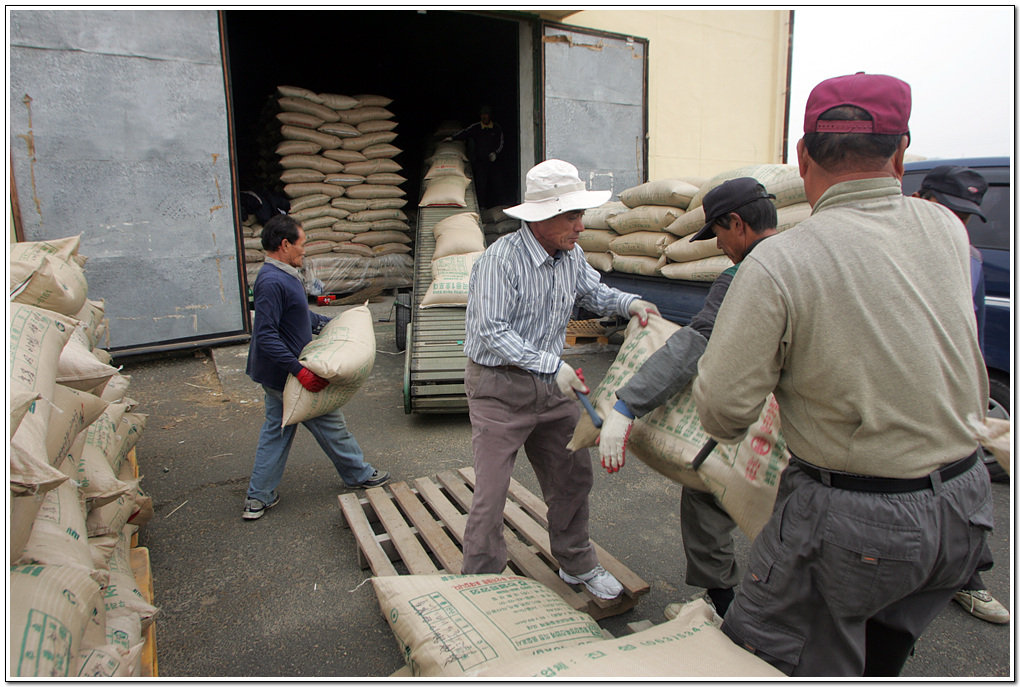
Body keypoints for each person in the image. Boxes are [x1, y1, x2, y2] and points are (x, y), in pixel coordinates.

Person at [692, 72, 993, 676]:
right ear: (901, 153)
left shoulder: (780, 261)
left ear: (801, 157)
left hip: (856, 522)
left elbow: (721, 412)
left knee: (763, 656)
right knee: (880, 654)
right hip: (964, 508)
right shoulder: (947, 230)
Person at [460, 159, 660, 599]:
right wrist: (550, 364)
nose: (581, 225)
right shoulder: (500, 261)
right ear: (543, 216)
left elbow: (593, 292)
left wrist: (630, 304)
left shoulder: (571, 255)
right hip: (499, 389)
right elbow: (490, 332)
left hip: (553, 388)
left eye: (579, 214)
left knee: (572, 476)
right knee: (490, 495)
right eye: (572, 216)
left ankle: (576, 562)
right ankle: (480, 582)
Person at [598, 177, 780, 620]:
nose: (718, 246)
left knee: (718, 499)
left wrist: (626, 404)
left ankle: (736, 613)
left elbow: (694, 343)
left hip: (775, 423)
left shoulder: (744, 276)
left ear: (735, 223)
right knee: (716, 496)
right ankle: (737, 603)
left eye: (717, 233)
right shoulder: (812, 257)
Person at [243, 214, 389, 520]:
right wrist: (299, 371)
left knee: (285, 429)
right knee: (322, 423)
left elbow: (297, 316)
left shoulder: (284, 275)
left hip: (286, 372)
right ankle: (358, 474)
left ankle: (259, 497)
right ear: (284, 245)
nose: (304, 249)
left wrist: (332, 323)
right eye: (301, 243)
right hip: (286, 374)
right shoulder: (272, 281)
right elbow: (266, 335)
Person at [912, 165, 1008, 625]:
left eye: (967, 216)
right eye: (952, 212)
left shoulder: (970, 257)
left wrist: (977, 392)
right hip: (905, 388)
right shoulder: (897, 251)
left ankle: (969, 580)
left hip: (949, 392)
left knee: (962, 483)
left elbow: (976, 325)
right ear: (925, 201)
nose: (958, 224)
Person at [445, 105, 505, 209]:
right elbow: (465, 133)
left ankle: (500, 206)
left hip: (493, 162)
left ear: (490, 116)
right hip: (480, 162)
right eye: (482, 115)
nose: (484, 117)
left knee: (497, 184)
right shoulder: (476, 127)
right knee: (481, 185)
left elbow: (501, 143)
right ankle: (482, 207)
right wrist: (452, 138)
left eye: (486, 115)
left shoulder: (496, 128)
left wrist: (495, 153)